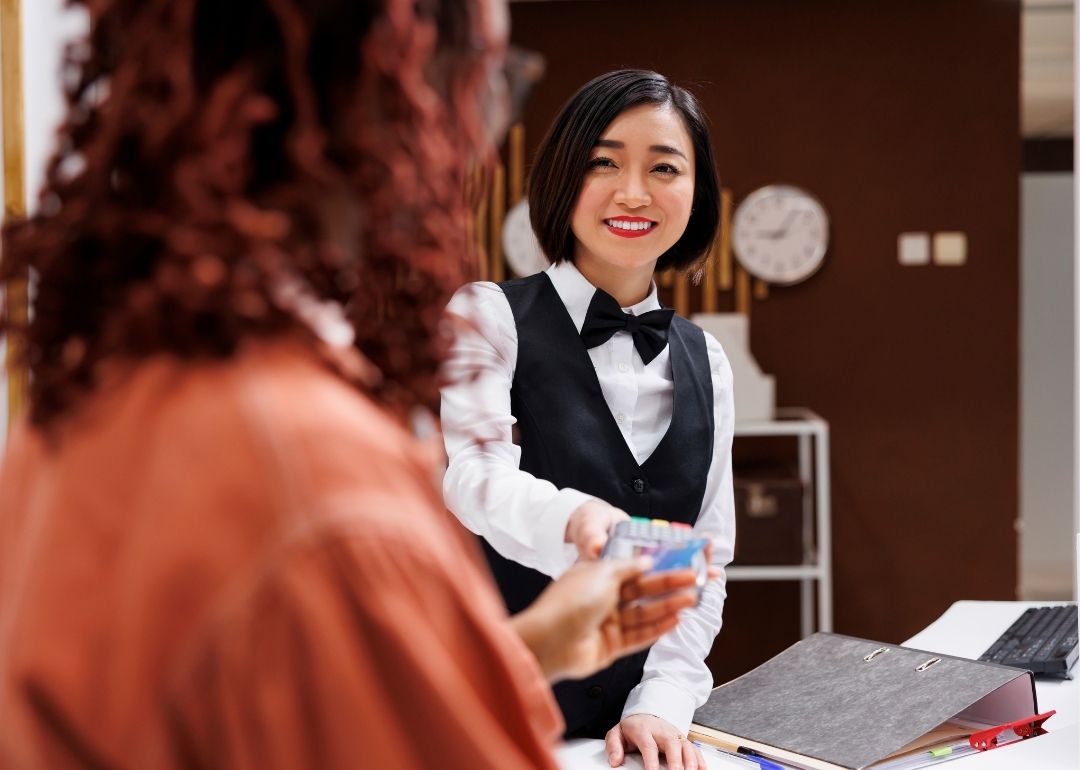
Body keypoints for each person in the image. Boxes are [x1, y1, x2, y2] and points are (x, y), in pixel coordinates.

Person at [0, 3, 703, 768]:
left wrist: (529, 651)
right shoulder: (327, 482)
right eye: (485, 81)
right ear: (392, 93)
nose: (480, 133)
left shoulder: (90, 397)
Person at [442, 69, 736, 770]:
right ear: (563, 178)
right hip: (496, 725)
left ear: (695, 196)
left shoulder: (708, 359)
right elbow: (472, 477)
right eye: (604, 162)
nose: (633, 192)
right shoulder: (487, 315)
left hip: (633, 748)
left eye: (664, 168)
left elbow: (706, 559)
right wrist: (574, 521)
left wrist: (660, 700)